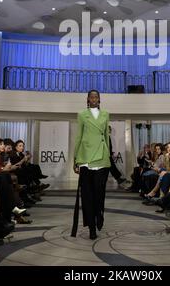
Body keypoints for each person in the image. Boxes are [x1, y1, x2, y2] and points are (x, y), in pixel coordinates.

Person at [71, 90, 111, 240]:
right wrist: (75, 159)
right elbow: (78, 137)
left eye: (96, 97)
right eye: (91, 97)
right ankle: (92, 228)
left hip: (102, 159)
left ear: (99, 99)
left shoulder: (106, 114)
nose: (94, 99)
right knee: (87, 196)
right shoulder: (82, 115)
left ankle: (99, 215)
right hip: (86, 159)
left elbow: (106, 136)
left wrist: (107, 153)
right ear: (87, 99)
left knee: (99, 195)